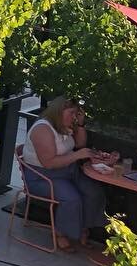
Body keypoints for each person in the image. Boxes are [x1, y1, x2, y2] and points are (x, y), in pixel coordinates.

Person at [21, 97, 108, 252]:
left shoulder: (64, 125)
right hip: (42, 176)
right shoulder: (43, 129)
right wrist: (77, 156)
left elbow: (80, 144)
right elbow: (49, 163)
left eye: (76, 113)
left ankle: (83, 228)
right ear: (59, 111)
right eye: (72, 113)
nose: (74, 117)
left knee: (94, 192)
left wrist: (80, 125)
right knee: (71, 198)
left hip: (67, 171)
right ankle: (61, 234)